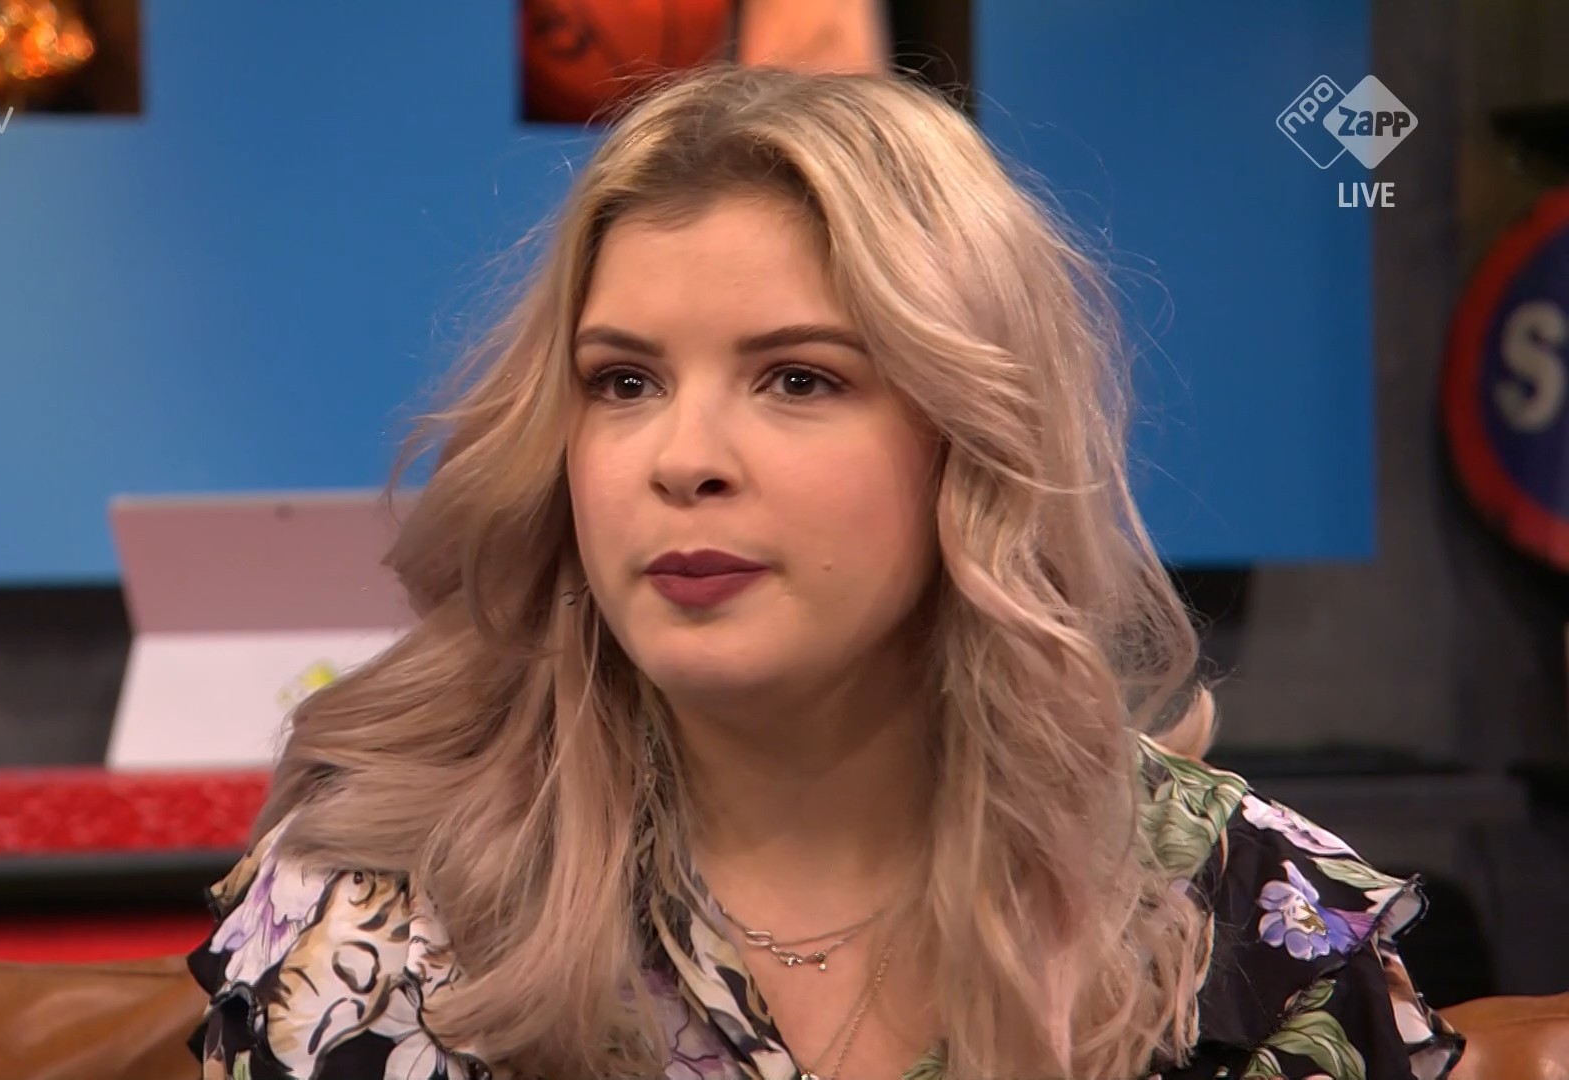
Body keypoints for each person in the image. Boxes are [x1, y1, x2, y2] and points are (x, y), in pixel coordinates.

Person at [186, 65, 1464, 1080]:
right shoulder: (383, 914)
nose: (683, 459)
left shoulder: (1249, 922)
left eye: (799, 378)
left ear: (970, 443)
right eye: (622, 383)